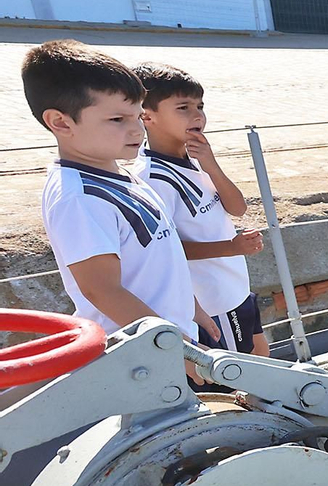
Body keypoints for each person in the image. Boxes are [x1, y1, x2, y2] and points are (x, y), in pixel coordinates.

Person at [22, 40, 215, 344]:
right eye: (117, 120)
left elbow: (161, 258)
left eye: (137, 116)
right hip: (139, 352)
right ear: (61, 122)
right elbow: (102, 290)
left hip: (167, 339)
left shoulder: (121, 174)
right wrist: (174, 346)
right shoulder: (79, 197)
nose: (137, 130)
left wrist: (192, 308)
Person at [128, 64, 267, 355]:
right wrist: (231, 247)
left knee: (262, 354)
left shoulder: (195, 157)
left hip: (235, 286)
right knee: (242, 369)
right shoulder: (151, 178)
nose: (197, 115)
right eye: (183, 108)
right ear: (146, 116)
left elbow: (238, 208)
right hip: (211, 300)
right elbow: (164, 249)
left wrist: (211, 164)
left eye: (200, 106)